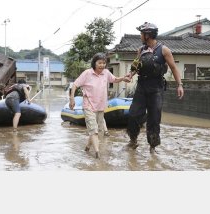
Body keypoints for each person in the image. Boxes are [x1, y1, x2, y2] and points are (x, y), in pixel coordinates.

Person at [125, 22, 184, 153]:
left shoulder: (164, 50)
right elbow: (135, 67)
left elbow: (174, 68)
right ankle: (133, 140)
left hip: (156, 88)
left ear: (148, 35)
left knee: (154, 118)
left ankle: (152, 147)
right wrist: (130, 74)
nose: (140, 36)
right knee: (133, 114)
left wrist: (179, 85)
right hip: (141, 86)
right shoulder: (140, 50)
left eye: (142, 33)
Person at [69, 53, 130, 159]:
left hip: (101, 106)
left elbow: (114, 79)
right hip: (88, 105)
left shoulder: (106, 73)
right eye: (99, 63)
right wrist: (72, 98)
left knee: (97, 129)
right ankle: (97, 152)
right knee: (93, 129)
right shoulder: (87, 73)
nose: (102, 65)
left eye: (104, 63)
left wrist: (123, 78)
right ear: (94, 63)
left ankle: (88, 146)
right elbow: (75, 85)